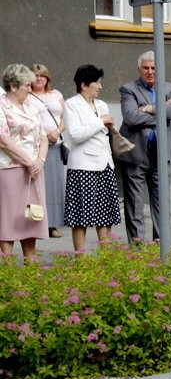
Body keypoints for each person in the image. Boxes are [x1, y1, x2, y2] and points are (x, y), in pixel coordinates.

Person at [117, 51, 171, 244]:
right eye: (146, 68)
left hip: (161, 154)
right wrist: (162, 109)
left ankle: (160, 246)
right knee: (135, 204)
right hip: (136, 153)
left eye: (154, 68)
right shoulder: (128, 89)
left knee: (162, 202)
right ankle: (137, 248)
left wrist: (148, 108)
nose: (150, 71)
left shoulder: (169, 87)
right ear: (139, 69)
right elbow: (130, 117)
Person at [63, 64, 121, 251]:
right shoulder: (72, 104)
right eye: (97, 82)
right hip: (83, 166)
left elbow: (105, 132)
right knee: (81, 217)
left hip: (105, 164)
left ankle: (106, 258)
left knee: (105, 215)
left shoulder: (101, 104)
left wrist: (110, 125)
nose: (100, 86)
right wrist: (100, 121)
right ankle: (80, 260)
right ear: (84, 85)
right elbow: (75, 135)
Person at [0, 64, 48, 259]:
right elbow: (3, 139)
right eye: (26, 85)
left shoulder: (30, 107)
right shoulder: (1, 105)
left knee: (31, 220)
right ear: (13, 86)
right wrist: (29, 162)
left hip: (35, 170)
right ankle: (8, 276)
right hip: (10, 169)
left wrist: (40, 160)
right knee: (8, 222)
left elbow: (43, 136)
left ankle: (31, 275)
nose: (30, 89)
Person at [29, 64, 66, 239]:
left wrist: (57, 132)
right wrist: (44, 135)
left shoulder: (56, 94)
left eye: (42, 75)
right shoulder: (27, 96)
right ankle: (37, 223)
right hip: (37, 146)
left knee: (55, 185)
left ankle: (53, 224)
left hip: (56, 144)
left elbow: (66, 117)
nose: (39, 78)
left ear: (47, 78)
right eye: (35, 75)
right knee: (39, 186)